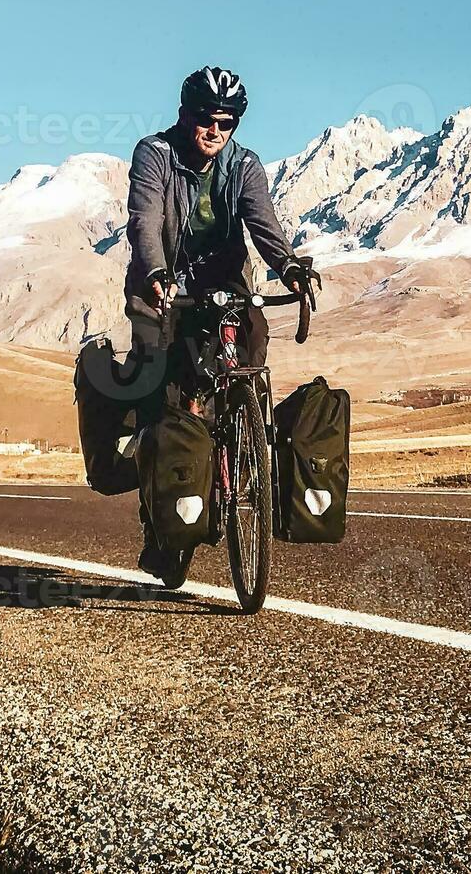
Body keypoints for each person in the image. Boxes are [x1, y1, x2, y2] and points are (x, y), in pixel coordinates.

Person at [124, 66, 308, 576]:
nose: (215, 131)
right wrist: (157, 272)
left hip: (225, 284)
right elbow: (145, 220)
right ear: (185, 115)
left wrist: (288, 266)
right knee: (160, 392)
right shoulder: (155, 155)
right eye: (206, 119)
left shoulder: (243, 165)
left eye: (226, 123)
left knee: (252, 343)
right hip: (161, 283)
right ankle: (161, 523)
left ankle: (247, 442)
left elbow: (262, 221)